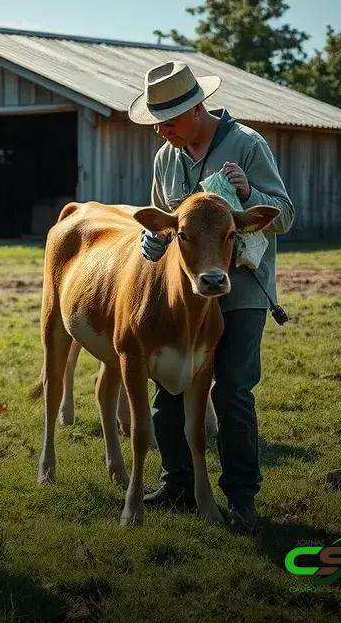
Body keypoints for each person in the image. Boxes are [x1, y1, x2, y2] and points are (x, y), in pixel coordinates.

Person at [127, 61, 295, 533]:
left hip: (240, 289)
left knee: (232, 389)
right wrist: (151, 241)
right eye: (156, 122)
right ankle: (177, 484)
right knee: (169, 388)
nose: (161, 131)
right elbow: (162, 224)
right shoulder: (165, 157)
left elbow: (284, 215)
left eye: (168, 120)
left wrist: (250, 190)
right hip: (182, 294)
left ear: (197, 108)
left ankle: (241, 497)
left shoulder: (248, 144)